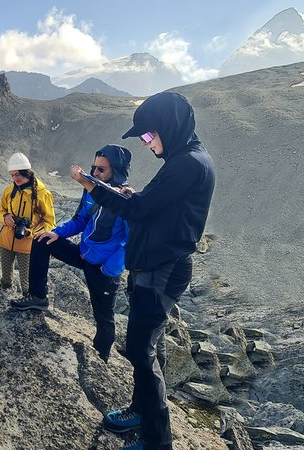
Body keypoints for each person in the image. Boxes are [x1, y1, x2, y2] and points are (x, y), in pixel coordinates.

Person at [70, 92, 215, 450]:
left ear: (168, 126)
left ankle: (156, 440)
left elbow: (139, 211)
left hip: (161, 270)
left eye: (150, 135)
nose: (148, 144)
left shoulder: (188, 164)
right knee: (153, 343)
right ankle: (140, 410)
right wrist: (135, 198)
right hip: (156, 267)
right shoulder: (187, 158)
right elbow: (155, 207)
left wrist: (93, 186)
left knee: (139, 349)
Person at [13, 145, 131, 363]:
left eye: (101, 170)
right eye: (93, 167)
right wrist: (56, 233)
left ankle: (102, 359)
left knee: (103, 318)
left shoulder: (125, 200)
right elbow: (82, 220)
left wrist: (109, 268)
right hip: (83, 254)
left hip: (103, 268)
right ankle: (38, 297)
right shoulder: (90, 190)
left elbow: (130, 243)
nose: (94, 173)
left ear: (117, 170)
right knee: (41, 241)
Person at [0, 152, 56, 295]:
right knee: (5, 278)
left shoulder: (43, 194)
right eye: (12, 175)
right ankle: (3, 294)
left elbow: (50, 222)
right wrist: (5, 218)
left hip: (28, 243)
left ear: (27, 173)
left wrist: (33, 233)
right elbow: (0, 211)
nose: (14, 178)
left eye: (17, 174)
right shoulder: (9, 191)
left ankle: (27, 302)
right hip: (6, 240)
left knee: (26, 282)